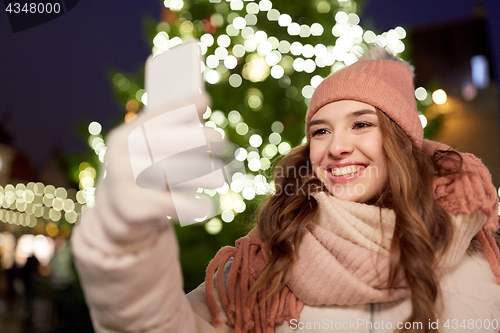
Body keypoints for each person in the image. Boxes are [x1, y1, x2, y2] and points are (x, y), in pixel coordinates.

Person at [72, 47, 500, 333]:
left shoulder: (477, 260)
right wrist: (124, 243)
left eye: (362, 124)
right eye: (320, 131)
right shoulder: (266, 259)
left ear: (402, 144)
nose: (336, 147)